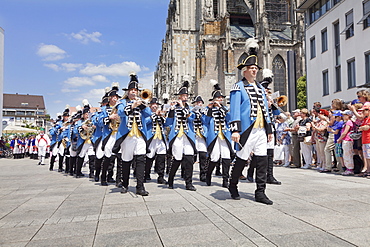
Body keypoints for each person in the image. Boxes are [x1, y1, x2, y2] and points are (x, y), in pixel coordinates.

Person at [228, 37, 273, 205]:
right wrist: (235, 130)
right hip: (247, 129)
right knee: (241, 159)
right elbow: (235, 110)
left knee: (262, 160)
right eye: (251, 68)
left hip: (261, 129)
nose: (254, 71)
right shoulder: (238, 87)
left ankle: (260, 192)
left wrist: (269, 130)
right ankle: (233, 185)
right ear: (244, 70)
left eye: (256, 68)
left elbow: (265, 110)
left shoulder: (261, 89)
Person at [111, 73, 151, 196]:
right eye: (132, 90)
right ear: (128, 91)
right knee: (126, 160)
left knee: (140, 160)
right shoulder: (122, 102)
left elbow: (149, 113)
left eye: (135, 90)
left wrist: (142, 104)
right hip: (127, 135)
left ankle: (140, 186)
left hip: (139, 135)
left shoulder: (141, 102)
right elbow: (121, 113)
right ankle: (125, 184)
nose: (134, 92)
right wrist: (132, 106)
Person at [166, 80, 197, 191]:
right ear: (179, 96)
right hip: (177, 136)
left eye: (186, 95)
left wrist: (182, 108)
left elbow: (192, 118)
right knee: (177, 159)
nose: (185, 97)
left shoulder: (190, 109)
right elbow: (168, 124)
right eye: (183, 95)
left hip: (188, 136)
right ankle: (170, 179)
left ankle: (189, 183)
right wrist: (171, 110)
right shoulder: (174, 109)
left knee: (189, 159)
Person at [203, 81, 233, 188]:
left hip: (224, 136)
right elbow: (205, 121)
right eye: (219, 98)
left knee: (226, 157)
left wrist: (221, 107)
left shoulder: (225, 109)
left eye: (221, 98)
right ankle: (208, 175)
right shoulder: (208, 109)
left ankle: (226, 180)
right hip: (214, 136)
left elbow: (229, 118)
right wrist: (211, 108)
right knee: (214, 158)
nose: (221, 99)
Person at [144, 97, 168, 184]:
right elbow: (144, 122)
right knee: (149, 158)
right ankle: (146, 174)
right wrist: (153, 116)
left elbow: (167, 124)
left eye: (156, 105)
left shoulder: (160, 114)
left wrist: (163, 117)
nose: (155, 106)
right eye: (153, 104)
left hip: (160, 138)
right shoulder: (146, 113)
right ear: (150, 105)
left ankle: (161, 176)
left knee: (162, 158)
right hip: (151, 138)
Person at [75, 100, 96, 178]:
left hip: (91, 141)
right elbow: (74, 130)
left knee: (92, 157)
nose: (87, 115)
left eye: (88, 114)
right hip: (82, 141)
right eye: (85, 114)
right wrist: (81, 127)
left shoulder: (92, 121)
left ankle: (91, 173)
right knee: (81, 156)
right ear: (83, 115)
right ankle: (78, 172)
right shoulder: (79, 122)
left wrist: (94, 127)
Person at [191, 95, 208, 182]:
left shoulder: (204, 111)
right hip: (193, 135)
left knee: (203, 156)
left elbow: (206, 121)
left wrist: (202, 114)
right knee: (190, 156)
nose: (199, 104)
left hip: (201, 135)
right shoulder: (191, 111)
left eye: (200, 103)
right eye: (197, 103)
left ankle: (203, 174)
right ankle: (185, 172)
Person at [337, 110, 354, 175]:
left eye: (344, 115)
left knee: (348, 154)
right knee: (345, 154)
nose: (343, 116)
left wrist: (340, 138)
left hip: (348, 139)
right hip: (345, 139)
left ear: (348, 115)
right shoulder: (345, 122)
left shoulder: (349, 122)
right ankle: (348, 168)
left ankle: (350, 169)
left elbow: (345, 132)